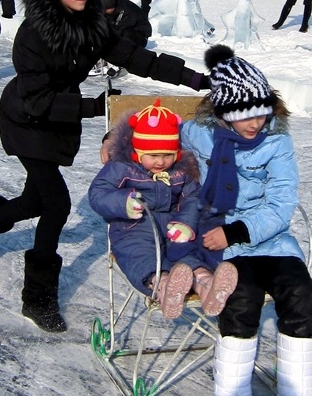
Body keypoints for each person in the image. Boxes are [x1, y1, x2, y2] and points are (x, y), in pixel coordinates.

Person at [0, 0, 210, 333]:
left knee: (34, 200)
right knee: (56, 204)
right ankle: (37, 297)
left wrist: (197, 80)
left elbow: (139, 58)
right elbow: (37, 99)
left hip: (60, 120)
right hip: (25, 119)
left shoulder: (92, 23)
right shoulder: (33, 34)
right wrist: (94, 107)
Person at [180, 44, 312, 396]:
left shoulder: (277, 143)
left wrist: (239, 232)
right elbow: (156, 127)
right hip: (219, 243)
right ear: (224, 112)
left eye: (261, 113)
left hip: (268, 240)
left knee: (299, 296)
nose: (254, 123)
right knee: (240, 299)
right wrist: (112, 139)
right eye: (244, 115)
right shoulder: (202, 135)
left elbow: (281, 204)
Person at [89, 100, 237, 319]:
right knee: (139, 254)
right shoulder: (121, 167)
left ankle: (206, 282)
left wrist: (186, 222)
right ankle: (164, 286)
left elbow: (193, 196)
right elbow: (98, 193)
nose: (160, 162)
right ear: (137, 153)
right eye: (153, 156)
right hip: (133, 226)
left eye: (167, 155)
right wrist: (123, 203)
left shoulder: (181, 170)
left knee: (186, 250)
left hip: (172, 224)